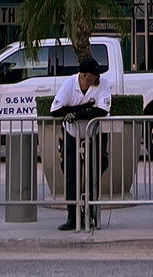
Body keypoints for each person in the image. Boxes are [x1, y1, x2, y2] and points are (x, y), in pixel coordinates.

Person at [47, 56, 110, 232]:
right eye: (93, 75)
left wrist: (75, 114)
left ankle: (89, 214)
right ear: (84, 76)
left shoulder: (102, 84)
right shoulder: (69, 84)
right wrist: (83, 108)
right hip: (72, 134)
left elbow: (102, 110)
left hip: (94, 135)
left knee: (93, 175)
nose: (97, 78)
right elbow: (55, 111)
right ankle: (72, 216)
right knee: (71, 175)